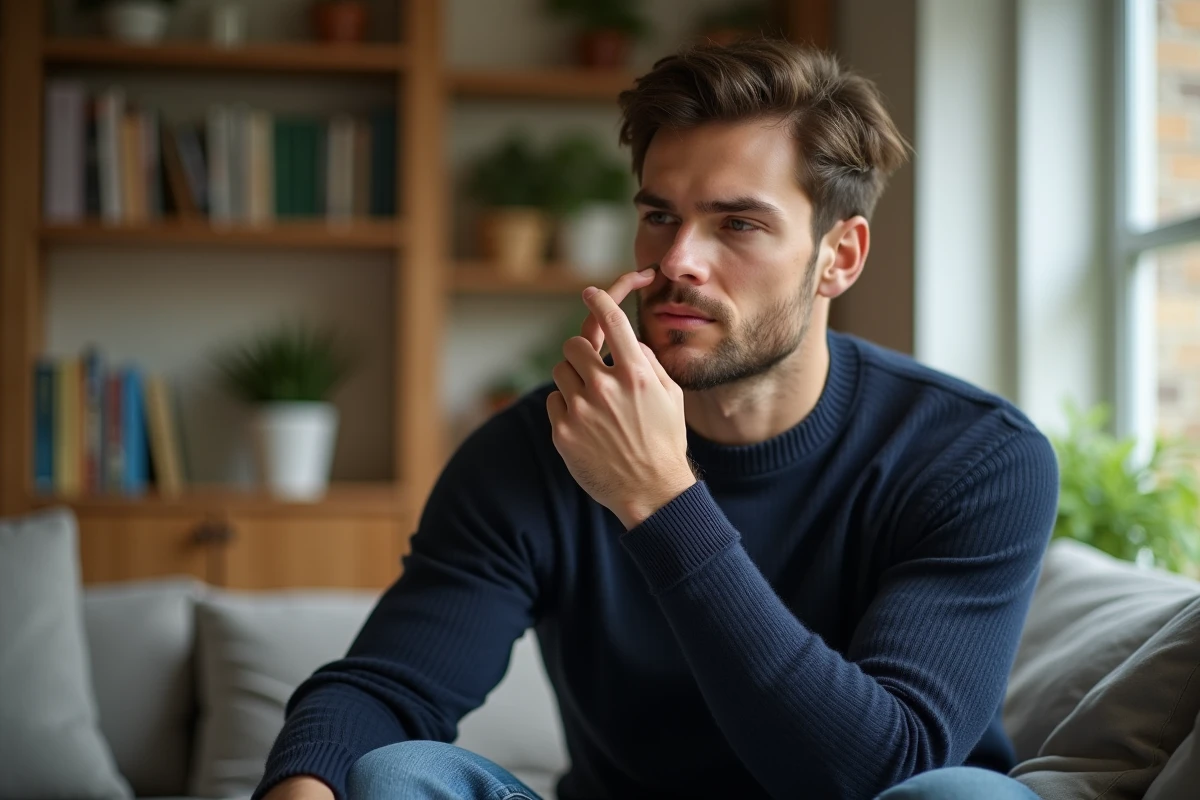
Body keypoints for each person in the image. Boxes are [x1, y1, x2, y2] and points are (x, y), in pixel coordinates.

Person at [254, 39, 1056, 800]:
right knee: (398, 774)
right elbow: (388, 689)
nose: (678, 261)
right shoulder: (542, 447)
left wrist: (659, 498)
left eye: (737, 224)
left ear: (839, 256)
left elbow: (883, 769)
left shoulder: (975, 456)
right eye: (661, 215)